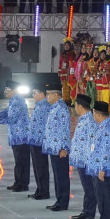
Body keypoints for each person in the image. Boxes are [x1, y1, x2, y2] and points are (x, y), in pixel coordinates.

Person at [86, 101, 110, 219]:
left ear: (97, 113)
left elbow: (107, 150)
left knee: (104, 195)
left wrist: (102, 169)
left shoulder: (107, 128)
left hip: (103, 169)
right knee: (101, 195)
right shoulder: (103, 126)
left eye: (93, 113)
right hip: (98, 167)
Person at [0, 81, 31, 192]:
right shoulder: (13, 100)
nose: (5, 92)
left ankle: (23, 184)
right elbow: (7, 112)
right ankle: (18, 182)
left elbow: (12, 119)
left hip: (21, 137)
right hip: (15, 136)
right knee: (18, 162)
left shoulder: (18, 101)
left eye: (7, 90)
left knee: (22, 162)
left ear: (14, 90)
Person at [69, 94, 98, 219]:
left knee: (89, 188)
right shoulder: (83, 119)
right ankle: (86, 211)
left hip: (86, 161)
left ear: (80, 106)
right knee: (87, 188)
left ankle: (89, 213)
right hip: (81, 160)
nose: (75, 107)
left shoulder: (89, 121)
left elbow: (92, 142)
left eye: (75, 105)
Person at [43, 83, 71, 211]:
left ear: (56, 95)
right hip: (53, 147)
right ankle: (58, 199)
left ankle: (63, 201)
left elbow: (65, 129)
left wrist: (65, 148)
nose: (46, 96)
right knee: (56, 175)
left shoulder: (62, 109)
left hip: (60, 149)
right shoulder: (54, 107)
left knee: (61, 176)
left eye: (48, 94)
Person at [27, 85, 53, 200]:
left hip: (41, 141)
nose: (33, 95)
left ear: (42, 94)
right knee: (37, 167)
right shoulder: (38, 105)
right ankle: (39, 189)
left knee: (41, 167)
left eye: (35, 92)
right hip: (34, 141)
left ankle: (44, 191)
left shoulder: (47, 107)